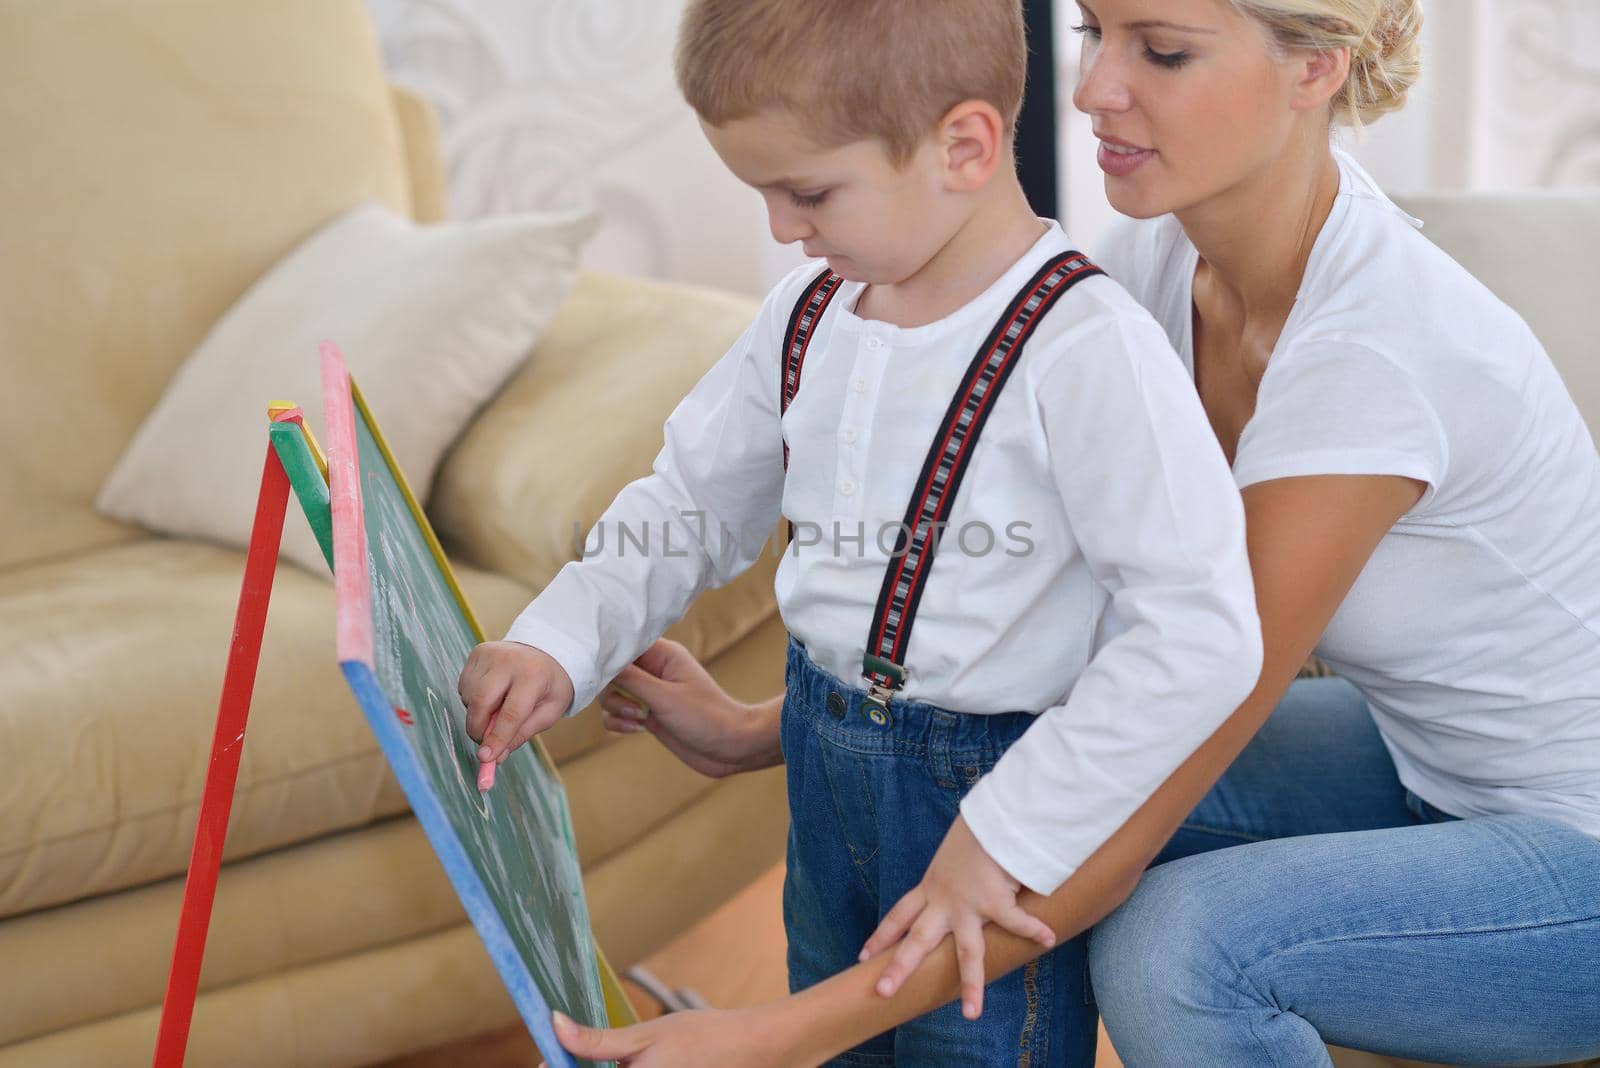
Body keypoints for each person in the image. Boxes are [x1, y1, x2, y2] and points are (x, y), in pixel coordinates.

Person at [543, 0, 1600, 1065]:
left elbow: (1156, 761)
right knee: (999, 782)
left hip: (1577, 854)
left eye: (1163, 50)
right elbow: (1052, 648)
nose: (1093, 88)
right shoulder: (1149, 262)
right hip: (1421, 766)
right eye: (1094, 30)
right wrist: (775, 730)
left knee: (1171, 948)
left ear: (1317, 68)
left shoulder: (1372, 355)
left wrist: (775, 1037)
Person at [458, 0, 1265, 1063]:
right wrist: (557, 641)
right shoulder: (806, 315)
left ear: (965, 146)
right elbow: (684, 500)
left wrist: (1007, 837)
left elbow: (1200, 637)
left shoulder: (1088, 351)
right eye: (762, 193)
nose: (781, 229)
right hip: (824, 774)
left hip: (987, 803)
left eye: (808, 192)